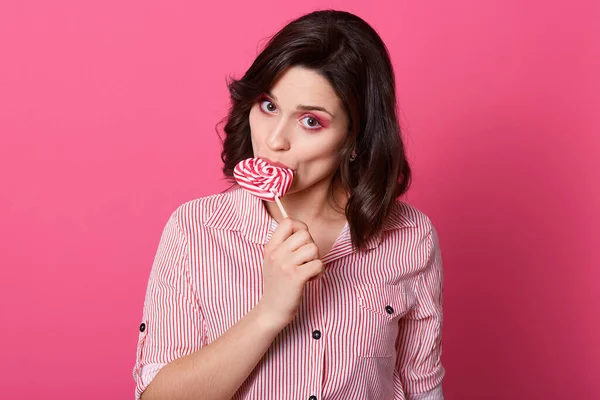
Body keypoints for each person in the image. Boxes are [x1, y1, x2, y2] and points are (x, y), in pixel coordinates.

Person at [132, 9, 445, 400]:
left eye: (311, 121)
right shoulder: (196, 230)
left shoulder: (410, 237)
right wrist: (270, 313)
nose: (275, 139)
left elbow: (422, 388)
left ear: (355, 141)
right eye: (268, 105)